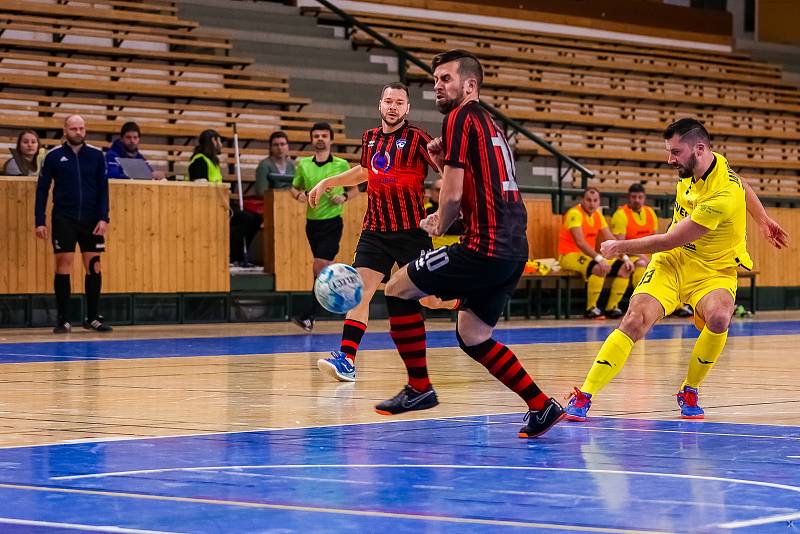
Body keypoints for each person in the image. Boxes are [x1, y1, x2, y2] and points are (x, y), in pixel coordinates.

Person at [374, 49, 564, 439]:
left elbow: (454, 193)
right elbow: (480, 184)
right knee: (473, 335)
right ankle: (541, 405)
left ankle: (419, 388)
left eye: (446, 79)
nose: (438, 86)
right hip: (512, 248)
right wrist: (445, 163)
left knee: (396, 289)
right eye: (436, 80)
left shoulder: (460, 116)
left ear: (470, 85)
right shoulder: (489, 124)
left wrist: (438, 223)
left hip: (485, 247)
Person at [564, 118, 789, 421]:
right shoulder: (714, 164)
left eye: (676, 152)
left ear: (699, 148)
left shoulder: (720, 197)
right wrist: (763, 220)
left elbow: (671, 239)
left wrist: (621, 247)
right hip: (673, 264)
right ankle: (585, 394)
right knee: (634, 320)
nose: (670, 160)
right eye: (669, 152)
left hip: (713, 270)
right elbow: (743, 183)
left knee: (721, 316)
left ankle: (690, 389)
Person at [309, 82, 449, 382]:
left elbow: (447, 171)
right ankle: (346, 359)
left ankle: (475, 299)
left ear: (407, 108)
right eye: (388, 101)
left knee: (430, 300)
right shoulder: (370, 138)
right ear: (380, 105)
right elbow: (364, 171)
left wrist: (449, 205)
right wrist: (327, 182)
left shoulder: (416, 138)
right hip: (375, 230)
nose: (393, 106)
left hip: (411, 231)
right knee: (360, 293)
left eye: (399, 102)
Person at [34, 115, 112, 333]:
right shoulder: (53, 156)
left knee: (94, 266)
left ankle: (93, 318)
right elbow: (42, 190)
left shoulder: (96, 155)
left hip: (91, 220)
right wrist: (40, 220)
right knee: (64, 264)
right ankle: (63, 319)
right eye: (74, 128)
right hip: (64, 218)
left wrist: (103, 217)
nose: (79, 132)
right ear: (65, 130)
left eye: (82, 128)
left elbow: (103, 188)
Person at [290, 122, 354, 332]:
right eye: (316, 135)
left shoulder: (341, 164)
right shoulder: (303, 165)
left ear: (330, 140)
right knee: (320, 271)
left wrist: (343, 197)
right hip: (312, 223)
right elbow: (294, 187)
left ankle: (314, 312)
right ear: (311, 139)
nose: (320, 138)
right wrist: (298, 195)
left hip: (332, 223)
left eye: (324, 135)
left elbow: (355, 190)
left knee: (319, 267)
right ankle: (339, 296)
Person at [557, 188, 633, 319]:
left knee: (624, 268)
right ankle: (591, 308)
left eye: (595, 200)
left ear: (599, 202)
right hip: (569, 256)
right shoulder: (574, 213)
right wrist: (599, 258)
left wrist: (625, 257)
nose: (591, 203)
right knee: (599, 267)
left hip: (588, 256)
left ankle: (611, 308)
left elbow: (611, 239)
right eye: (588, 200)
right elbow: (580, 242)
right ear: (582, 200)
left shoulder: (598, 215)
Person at [189, 129, 261, 265]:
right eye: (220, 141)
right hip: (209, 207)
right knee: (246, 219)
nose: (221, 145)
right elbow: (200, 187)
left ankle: (237, 255)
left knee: (255, 218)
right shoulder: (200, 161)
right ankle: (234, 256)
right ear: (213, 141)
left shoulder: (211, 161)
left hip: (221, 205)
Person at [424, 178, 465, 248]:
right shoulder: (426, 209)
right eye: (438, 190)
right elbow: (452, 227)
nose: (441, 192)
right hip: (438, 251)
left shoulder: (460, 208)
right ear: (431, 192)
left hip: (458, 250)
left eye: (446, 189)